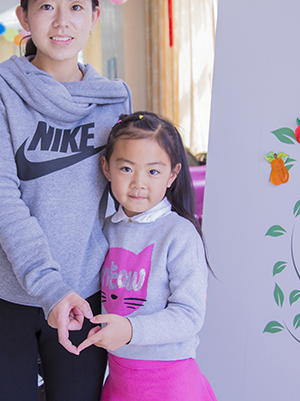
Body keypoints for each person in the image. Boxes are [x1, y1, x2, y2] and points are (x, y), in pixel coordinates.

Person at [0, 0, 132, 401]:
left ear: (94, 16)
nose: (62, 21)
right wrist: (50, 288)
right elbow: (1, 195)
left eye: (76, 6)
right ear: (24, 17)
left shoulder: (113, 100)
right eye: (46, 6)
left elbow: (125, 196)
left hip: (83, 289)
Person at [77, 111, 216, 401]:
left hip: (170, 382)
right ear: (106, 168)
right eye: (127, 169)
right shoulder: (106, 228)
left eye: (153, 172)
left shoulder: (179, 234)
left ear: (172, 174)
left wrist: (130, 330)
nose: (139, 183)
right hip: (119, 377)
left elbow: (189, 315)